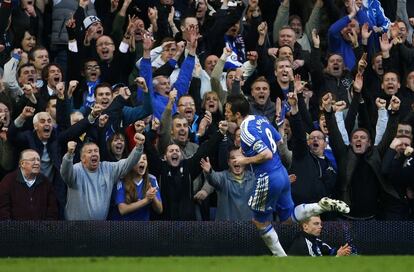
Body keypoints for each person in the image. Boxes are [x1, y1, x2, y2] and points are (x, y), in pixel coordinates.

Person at [225, 94, 350, 256]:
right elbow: (278, 140)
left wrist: (244, 160)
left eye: (228, 111)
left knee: (259, 220)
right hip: (282, 174)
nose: (225, 113)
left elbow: (267, 154)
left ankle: (281, 259)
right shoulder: (260, 119)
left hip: (267, 177)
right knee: (288, 219)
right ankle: (319, 206)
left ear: (237, 114)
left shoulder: (245, 131)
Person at [60, 133, 145, 220]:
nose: (94, 154)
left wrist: (138, 147)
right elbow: (65, 173)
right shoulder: (76, 170)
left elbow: (127, 164)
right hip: (76, 228)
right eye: (89, 152)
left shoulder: (107, 169)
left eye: (96, 151)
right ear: (82, 158)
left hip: (99, 228)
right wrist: (69, 155)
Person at [0, 149, 58, 220]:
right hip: (16, 229)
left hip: (40, 229)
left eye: (38, 160)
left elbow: (52, 210)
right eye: (32, 160)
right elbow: (3, 209)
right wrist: (10, 228)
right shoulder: (8, 181)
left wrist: (47, 227)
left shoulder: (46, 182)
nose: (37, 163)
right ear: (22, 164)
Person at [111, 153, 163, 221]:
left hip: (143, 227)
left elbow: (159, 210)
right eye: (138, 159)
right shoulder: (121, 179)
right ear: (130, 163)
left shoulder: (152, 180)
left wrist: (153, 197)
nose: (142, 161)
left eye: (144, 159)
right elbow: (122, 209)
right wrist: (146, 200)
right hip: (123, 226)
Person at [288, 215, 352, 256]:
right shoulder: (302, 244)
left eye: (320, 224)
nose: (320, 226)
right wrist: (337, 257)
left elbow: (330, 252)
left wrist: (341, 251)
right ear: (305, 226)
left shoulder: (316, 240)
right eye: (316, 224)